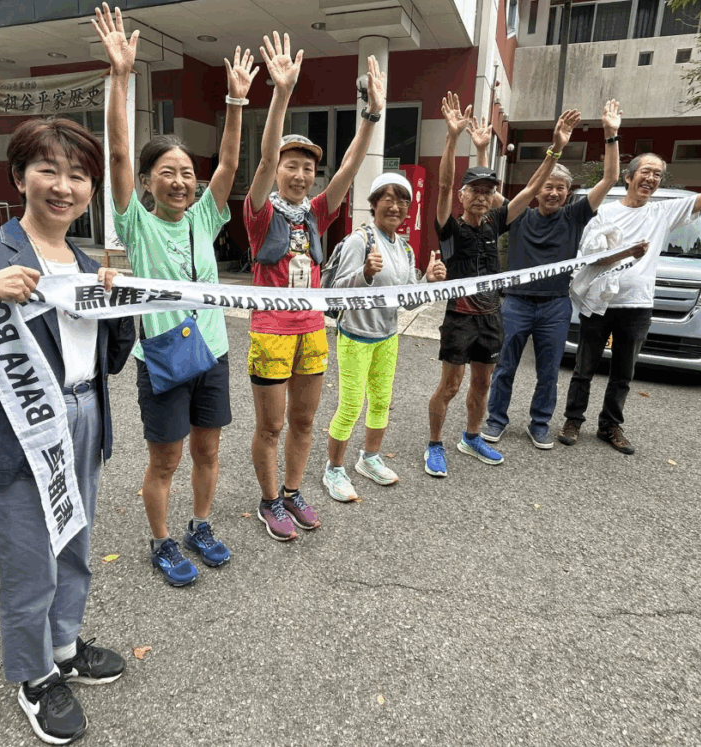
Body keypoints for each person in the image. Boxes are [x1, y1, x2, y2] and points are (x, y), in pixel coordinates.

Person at [0, 116, 136, 745]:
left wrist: (119, 309)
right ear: (19, 177)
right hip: (10, 432)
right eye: (48, 170)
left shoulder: (91, 263)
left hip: (84, 419)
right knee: (29, 564)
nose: (64, 185)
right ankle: (35, 677)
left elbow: (109, 361)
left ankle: (63, 647)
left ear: (91, 188)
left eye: (79, 174)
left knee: (74, 547)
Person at [95, 3, 256, 584]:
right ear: (145, 183)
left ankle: (201, 525)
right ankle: (162, 542)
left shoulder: (204, 217)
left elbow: (231, 164)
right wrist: (120, 76)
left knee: (209, 451)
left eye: (187, 171)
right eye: (168, 171)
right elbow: (116, 152)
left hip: (209, 351)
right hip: (161, 356)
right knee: (166, 457)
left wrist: (236, 102)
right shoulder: (136, 222)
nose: (182, 179)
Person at [245, 32, 386, 540]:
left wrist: (371, 115)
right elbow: (261, 162)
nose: (301, 174)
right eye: (292, 165)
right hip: (271, 331)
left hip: (312, 329)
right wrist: (281, 93)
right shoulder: (260, 213)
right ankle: (268, 501)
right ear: (278, 169)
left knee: (304, 424)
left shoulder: (317, 213)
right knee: (272, 426)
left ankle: (294, 491)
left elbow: (349, 167)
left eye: (308, 167)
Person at [557, 115, 701, 454]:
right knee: (584, 368)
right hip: (599, 302)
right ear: (629, 177)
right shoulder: (606, 212)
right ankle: (573, 420)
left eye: (658, 174)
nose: (652, 178)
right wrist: (625, 252)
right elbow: (589, 258)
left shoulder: (663, 213)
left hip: (637, 306)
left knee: (623, 374)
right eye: (646, 171)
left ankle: (610, 426)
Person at [424, 92, 581, 478]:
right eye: (474, 190)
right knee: (451, 385)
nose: (481, 196)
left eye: (487, 191)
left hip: (493, 315)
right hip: (459, 316)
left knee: (483, 383)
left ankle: (472, 436)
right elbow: (443, 186)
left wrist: (555, 150)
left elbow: (530, 190)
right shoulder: (449, 227)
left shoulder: (495, 221)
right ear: (463, 195)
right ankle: (434, 444)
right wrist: (450, 137)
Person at [483, 100, 628, 450]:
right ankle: (495, 419)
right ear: (537, 190)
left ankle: (540, 423)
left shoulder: (575, 216)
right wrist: (479, 145)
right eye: (547, 186)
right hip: (515, 303)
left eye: (560, 188)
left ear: (568, 193)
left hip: (555, 306)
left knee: (549, 372)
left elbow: (610, 178)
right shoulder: (518, 214)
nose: (553, 192)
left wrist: (611, 134)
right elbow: (488, 191)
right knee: (505, 367)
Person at [322, 173, 447, 501]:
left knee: (380, 402)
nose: (395, 206)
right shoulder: (359, 241)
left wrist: (428, 282)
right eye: (387, 199)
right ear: (374, 203)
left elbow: (408, 302)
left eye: (402, 201)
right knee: (350, 406)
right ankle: (333, 469)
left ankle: (369, 458)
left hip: (387, 336)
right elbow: (335, 292)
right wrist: (364, 273)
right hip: (355, 335)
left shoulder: (403, 249)